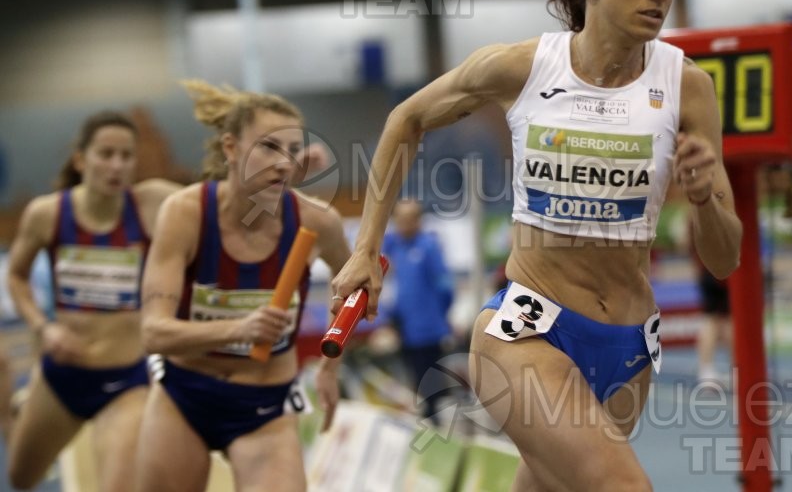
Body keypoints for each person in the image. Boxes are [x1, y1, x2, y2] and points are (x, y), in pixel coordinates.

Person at [332, 0, 742, 490]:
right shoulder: (525, 67)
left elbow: (725, 259)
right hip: (527, 331)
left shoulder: (689, 86)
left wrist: (705, 198)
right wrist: (365, 248)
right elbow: (406, 119)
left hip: (627, 348)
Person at [135, 81, 350, 492]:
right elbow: (152, 333)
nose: (284, 164)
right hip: (185, 396)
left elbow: (356, 289)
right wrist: (239, 328)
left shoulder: (317, 221)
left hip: (265, 408)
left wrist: (330, 363)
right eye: (269, 148)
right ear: (231, 149)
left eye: (292, 152)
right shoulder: (185, 213)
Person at [4, 111, 180, 491]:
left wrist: (287, 170)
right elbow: (16, 276)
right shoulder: (47, 213)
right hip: (61, 377)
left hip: (126, 381)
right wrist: (42, 326)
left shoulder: (151, 204)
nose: (117, 165)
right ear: (81, 159)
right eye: (106, 154)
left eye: (126, 155)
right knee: (20, 477)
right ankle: (23, 409)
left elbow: (220, 202)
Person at [381, 199, 455, 422]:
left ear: (418, 220)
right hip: (407, 329)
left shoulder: (428, 246)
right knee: (415, 382)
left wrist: (437, 318)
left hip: (428, 330)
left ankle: (438, 429)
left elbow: (445, 288)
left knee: (431, 386)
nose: (402, 224)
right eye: (399, 220)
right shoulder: (395, 246)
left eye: (407, 219)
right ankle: (427, 421)